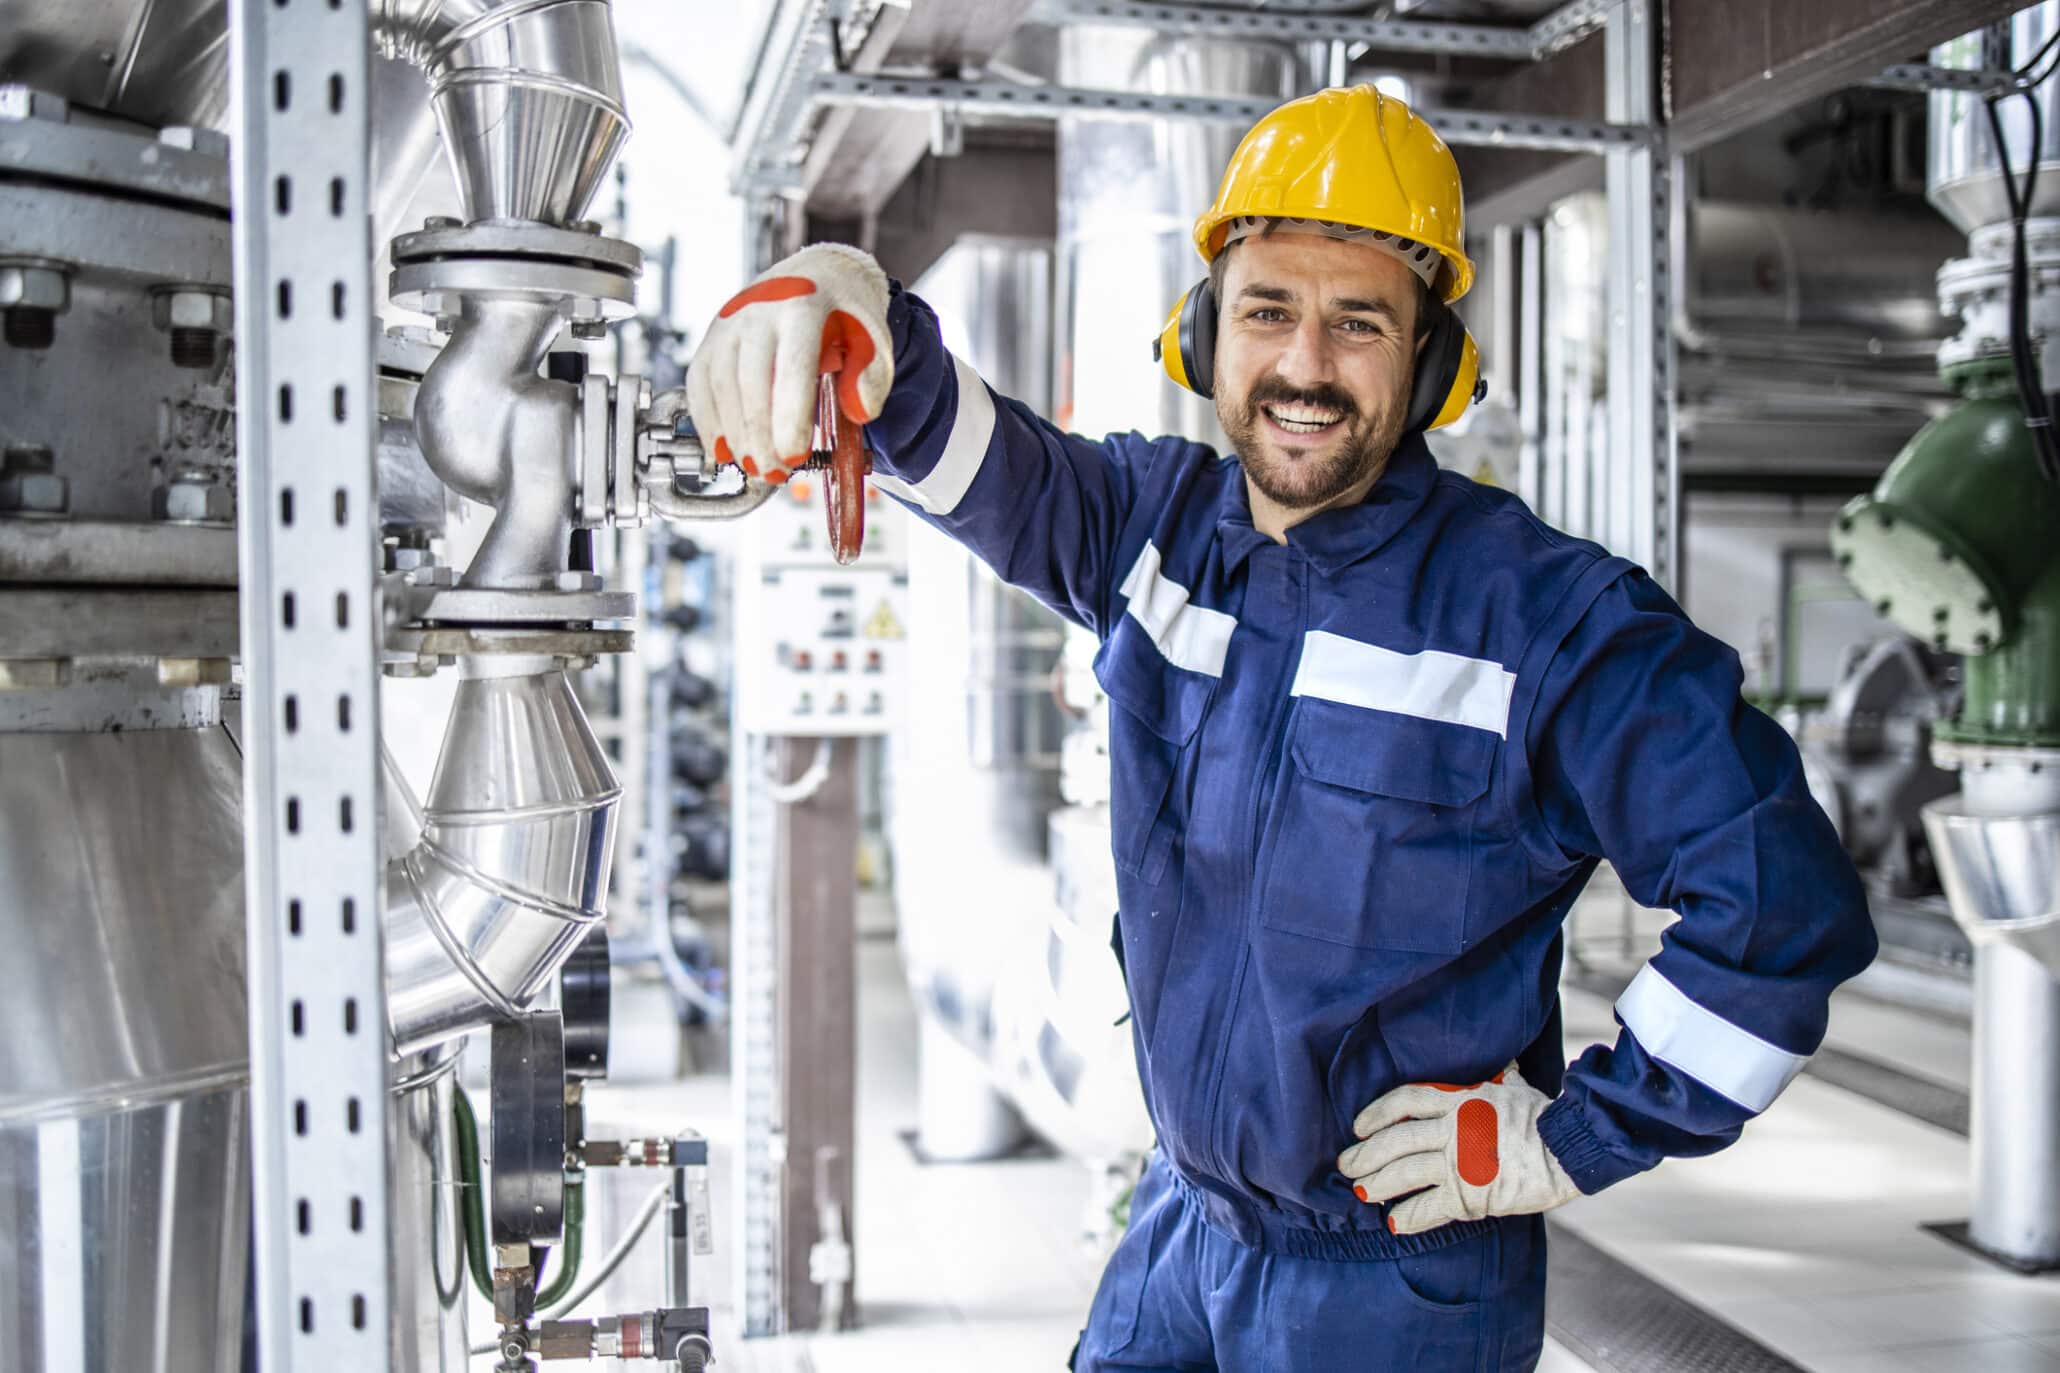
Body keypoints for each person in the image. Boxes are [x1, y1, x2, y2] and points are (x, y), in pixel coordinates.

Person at [687, 85, 1876, 1373]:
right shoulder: (1153, 530)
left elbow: (1783, 910)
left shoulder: (1545, 621)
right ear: (1206, 333)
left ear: (1426, 362)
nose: (1305, 365)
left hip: (1397, 1283)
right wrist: (840, 284)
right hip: (1181, 1230)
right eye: (1267, 310)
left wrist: (1569, 1140)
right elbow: (946, 434)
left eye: (1358, 323)